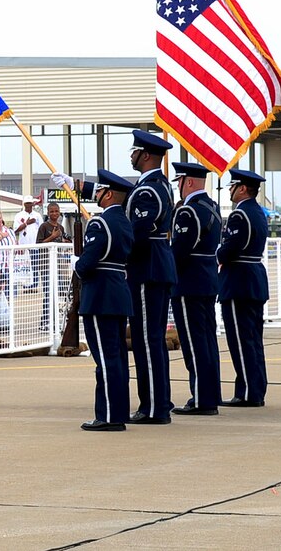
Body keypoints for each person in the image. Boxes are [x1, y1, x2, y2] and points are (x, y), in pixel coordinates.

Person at [74, 170, 134, 432]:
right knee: (117, 357)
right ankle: (118, 411)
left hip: (100, 295)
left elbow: (87, 264)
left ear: (108, 194)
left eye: (99, 191)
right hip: (118, 293)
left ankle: (109, 415)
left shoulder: (99, 224)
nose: (96, 195)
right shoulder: (124, 222)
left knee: (106, 359)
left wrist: (76, 266)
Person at [124, 130, 176, 425]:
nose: (131, 156)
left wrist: (117, 248)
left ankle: (154, 407)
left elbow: (138, 235)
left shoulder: (148, 190)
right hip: (155, 267)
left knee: (147, 340)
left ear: (144, 155)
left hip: (147, 269)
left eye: (134, 151)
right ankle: (156, 403)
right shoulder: (158, 185)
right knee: (151, 339)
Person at [169, 162, 223, 417]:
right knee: (207, 340)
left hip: (189, 282)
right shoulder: (212, 207)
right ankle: (211, 394)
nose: (178, 188)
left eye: (179, 182)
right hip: (207, 280)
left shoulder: (188, 211)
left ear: (188, 182)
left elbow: (179, 251)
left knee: (194, 342)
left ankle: (202, 399)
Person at [217, 169, 270, 408]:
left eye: (233, 186)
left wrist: (216, 254)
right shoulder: (257, 212)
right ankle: (256, 388)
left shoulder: (240, 215)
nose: (230, 190)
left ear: (242, 188)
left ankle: (248, 391)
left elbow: (229, 249)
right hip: (252, 279)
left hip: (239, 281)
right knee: (252, 339)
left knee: (241, 340)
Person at [35, 202, 71, 327]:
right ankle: (45, 321)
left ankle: (54, 318)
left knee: (56, 293)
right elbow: (39, 244)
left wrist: (64, 242)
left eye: (56, 211)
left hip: (57, 264)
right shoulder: (44, 227)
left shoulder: (61, 227)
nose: (54, 213)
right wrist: (52, 236)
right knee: (48, 292)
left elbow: (62, 242)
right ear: (48, 212)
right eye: (52, 211)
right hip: (46, 264)